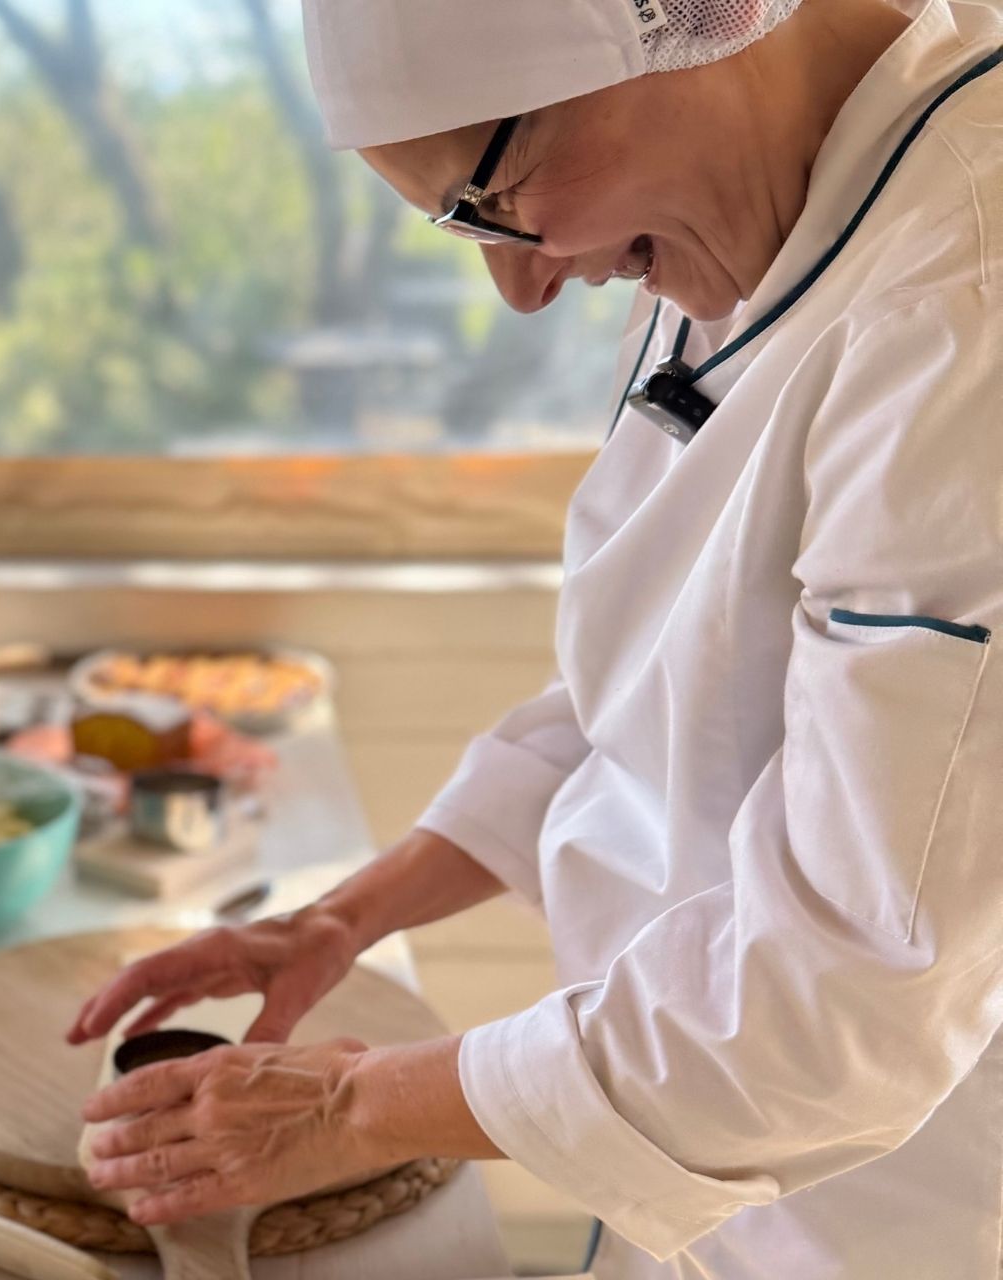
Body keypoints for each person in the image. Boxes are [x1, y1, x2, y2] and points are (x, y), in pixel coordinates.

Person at [67, 1, 1003, 1276]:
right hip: (693, 1174)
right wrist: (341, 917)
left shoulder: (965, 309)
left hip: (895, 1220)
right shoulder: (750, 196)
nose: (520, 284)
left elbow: (842, 999)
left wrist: (348, 1106)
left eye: (486, 195)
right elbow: (671, 684)